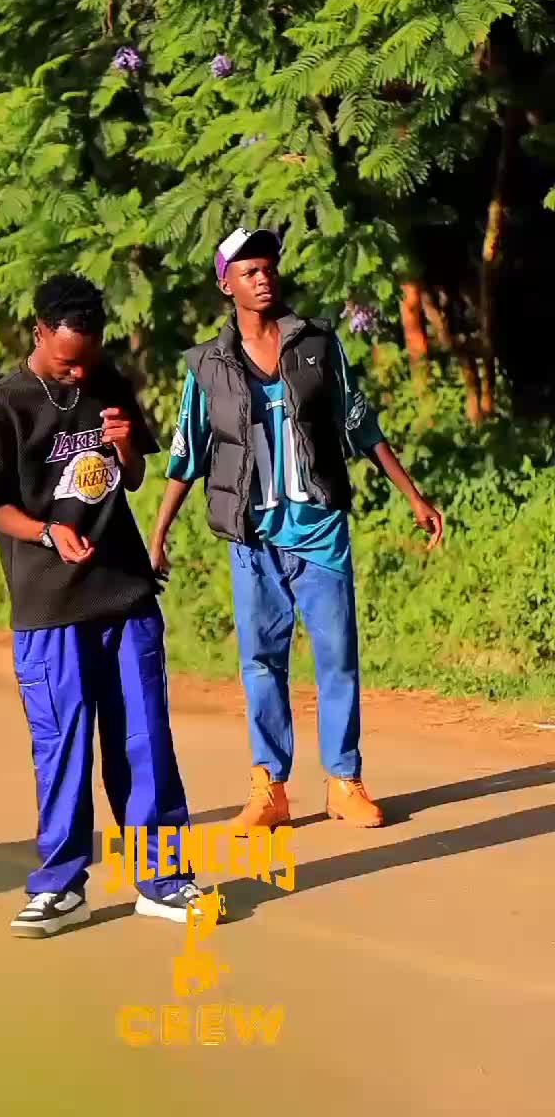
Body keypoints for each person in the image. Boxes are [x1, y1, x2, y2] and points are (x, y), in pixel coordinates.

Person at [151, 227, 443, 833]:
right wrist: (159, 535)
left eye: (268, 268)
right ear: (226, 284)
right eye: (248, 271)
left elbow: (361, 424)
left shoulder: (316, 345)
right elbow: (186, 455)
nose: (262, 278)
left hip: (319, 531)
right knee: (261, 663)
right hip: (252, 539)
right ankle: (270, 788)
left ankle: (344, 782)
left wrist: (413, 495)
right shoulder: (207, 366)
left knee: (337, 659)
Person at [0, 272, 200, 937]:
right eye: (68, 360)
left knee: (144, 739)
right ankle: (61, 886)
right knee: (62, 748)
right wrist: (49, 532)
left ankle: (163, 880)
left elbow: (133, 477)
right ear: (40, 333)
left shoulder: (107, 380)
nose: (78, 373)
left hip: (123, 593)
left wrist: (124, 443)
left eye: (87, 360)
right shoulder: (4, 406)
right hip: (49, 606)